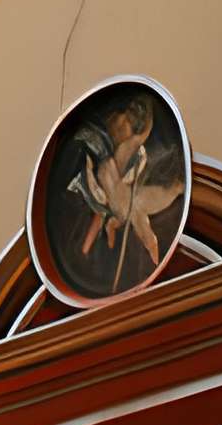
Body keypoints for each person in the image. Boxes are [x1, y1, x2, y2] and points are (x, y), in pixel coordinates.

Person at [64, 91, 185, 293]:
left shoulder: (137, 161)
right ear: (112, 114)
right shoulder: (84, 148)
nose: (126, 125)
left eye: (136, 122)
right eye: (129, 116)